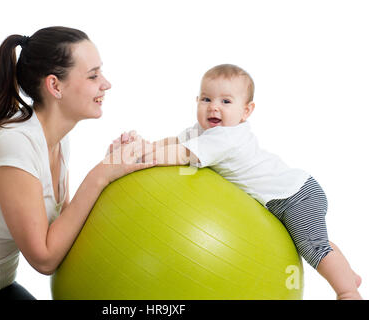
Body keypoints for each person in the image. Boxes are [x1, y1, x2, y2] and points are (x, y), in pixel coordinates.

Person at [0, 26, 155, 300]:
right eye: (93, 75)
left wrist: (114, 169)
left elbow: (66, 231)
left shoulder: (56, 140)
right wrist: (100, 175)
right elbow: (44, 259)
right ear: (55, 85)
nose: (106, 83)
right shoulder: (15, 143)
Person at [140, 64, 363, 300]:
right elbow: (177, 142)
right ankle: (347, 274)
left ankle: (347, 291)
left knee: (313, 247)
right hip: (292, 192)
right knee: (312, 239)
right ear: (197, 101)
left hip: (293, 197)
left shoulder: (226, 138)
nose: (214, 106)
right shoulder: (204, 133)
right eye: (206, 99)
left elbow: (183, 154)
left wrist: (145, 157)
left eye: (226, 101)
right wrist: (148, 146)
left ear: (246, 111)